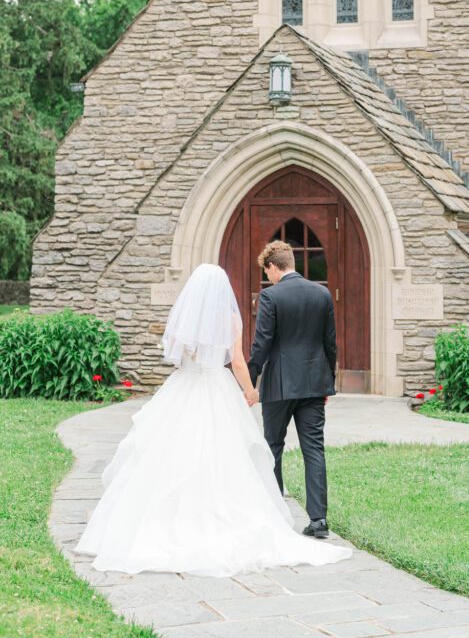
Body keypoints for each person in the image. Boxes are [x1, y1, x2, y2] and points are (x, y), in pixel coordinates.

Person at [75, 263, 351, 575]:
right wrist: (249, 390)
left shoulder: (186, 318)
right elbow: (235, 360)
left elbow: (177, 356)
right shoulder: (231, 319)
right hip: (222, 387)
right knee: (230, 452)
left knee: (172, 451)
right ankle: (304, 517)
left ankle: (166, 517)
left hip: (184, 386)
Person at [248, 240, 336, 540]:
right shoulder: (322, 293)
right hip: (314, 383)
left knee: (273, 446)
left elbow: (262, 343)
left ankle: (274, 513)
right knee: (314, 449)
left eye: (266, 271)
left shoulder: (271, 296)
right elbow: (330, 344)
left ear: (274, 267)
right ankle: (319, 519)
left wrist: (249, 380)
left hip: (280, 385)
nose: (267, 277)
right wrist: (328, 382)